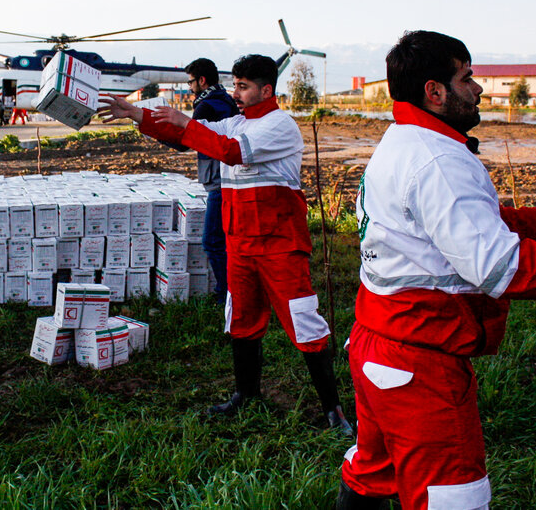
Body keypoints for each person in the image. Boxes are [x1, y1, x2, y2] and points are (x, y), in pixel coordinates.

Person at [336, 30, 536, 510]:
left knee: (374, 471)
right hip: (420, 360)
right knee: (453, 495)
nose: (478, 89)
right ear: (434, 92)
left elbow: (463, 222)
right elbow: (501, 268)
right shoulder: (437, 159)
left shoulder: (405, 139)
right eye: (467, 77)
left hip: (381, 340)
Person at [98, 54, 352, 432]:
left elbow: (232, 151)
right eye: (235, 85)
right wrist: (136, 114)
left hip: (280, 244)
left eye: (243, 86)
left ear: (266, 89)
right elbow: (188, 137)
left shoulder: (280, 125)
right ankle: (245, 395)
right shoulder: (234, 121)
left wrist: (188, 123)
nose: (236, 93)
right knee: (241, 320)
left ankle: (333, 410)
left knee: (303, 321)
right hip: (241, 245)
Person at [162, 58, 239, 304]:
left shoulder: (206, 106)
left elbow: (187, 141)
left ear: (202, 80)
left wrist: (155, 130)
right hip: (230, 175)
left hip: (218, 180)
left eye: (191, 81)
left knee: (212, 241)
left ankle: (226, 295)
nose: (190, 86)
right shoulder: (226, 99)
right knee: (227, 238)